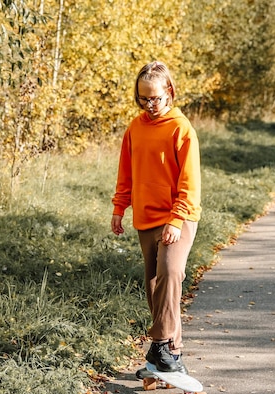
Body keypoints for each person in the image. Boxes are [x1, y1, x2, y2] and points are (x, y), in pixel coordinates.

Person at [111, 61, 201, 373]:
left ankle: (162, 346)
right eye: (143, 99)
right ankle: (168, 353)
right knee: (154, 287)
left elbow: (190, 184)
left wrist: (176, 220)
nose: (150, 105)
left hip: (178, 216)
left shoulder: (181, 129)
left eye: (156, 98)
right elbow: (126, 173)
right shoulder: (135, 128)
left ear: (170, 93)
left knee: (171, 272)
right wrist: (119, 208)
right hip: (145, 217)